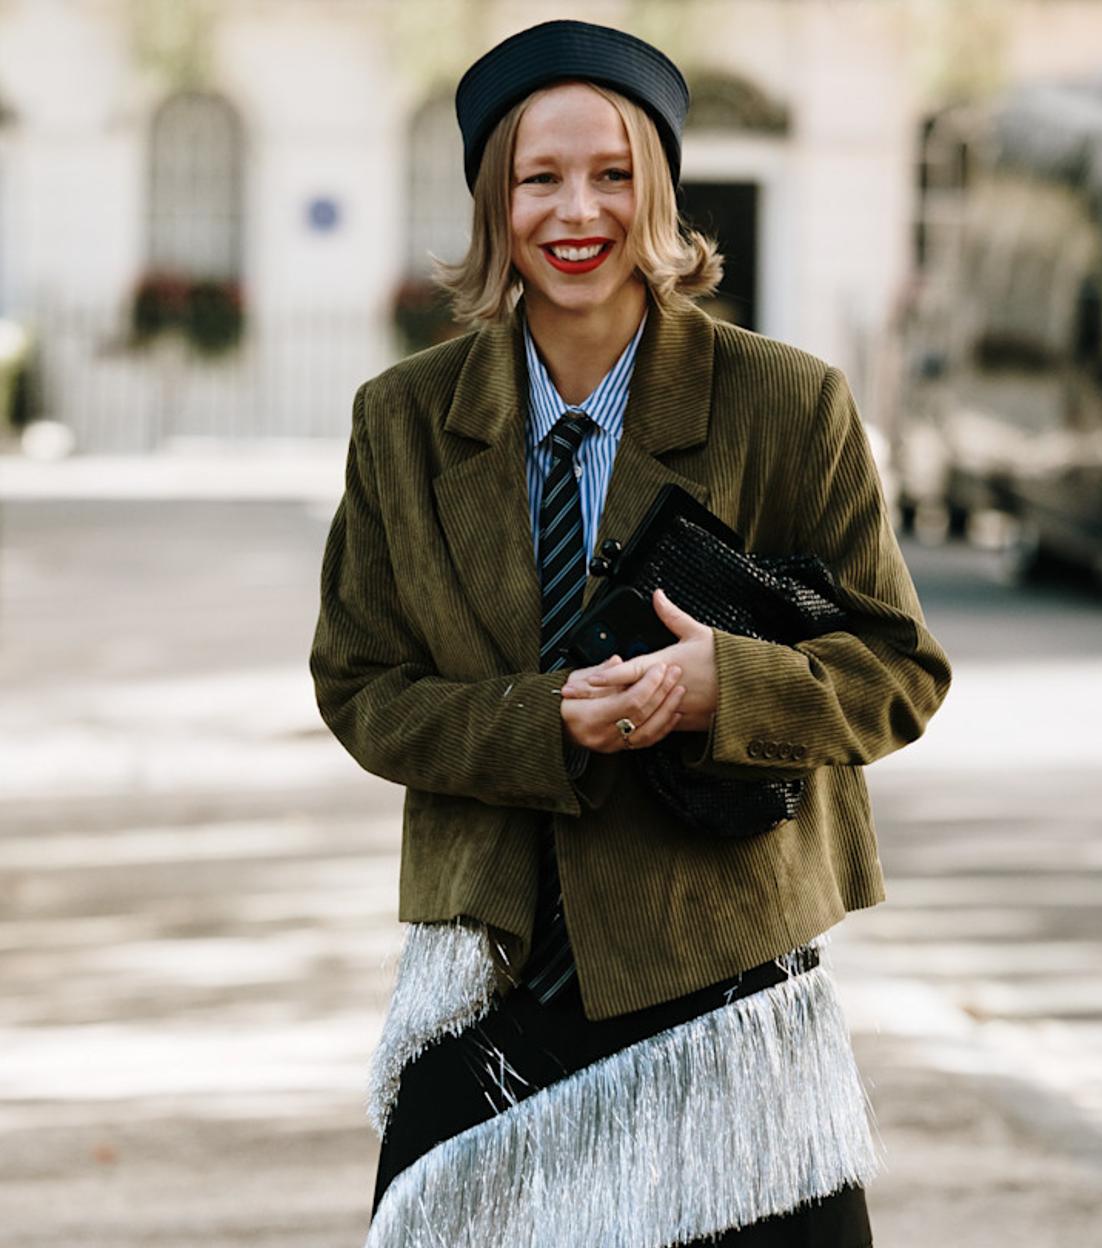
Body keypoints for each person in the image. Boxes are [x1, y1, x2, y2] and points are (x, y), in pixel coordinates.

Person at [310, 19, 951, 1248]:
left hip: (727, 984)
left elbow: (900, 673)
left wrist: (731, 687)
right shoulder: (401, 422)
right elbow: (360, 686)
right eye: (539, 178)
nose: (577, 212)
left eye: (612, 174)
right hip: (496, 976)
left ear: (658, 192)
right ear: (495, 202)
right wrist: (537, 721)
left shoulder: (788, 403)